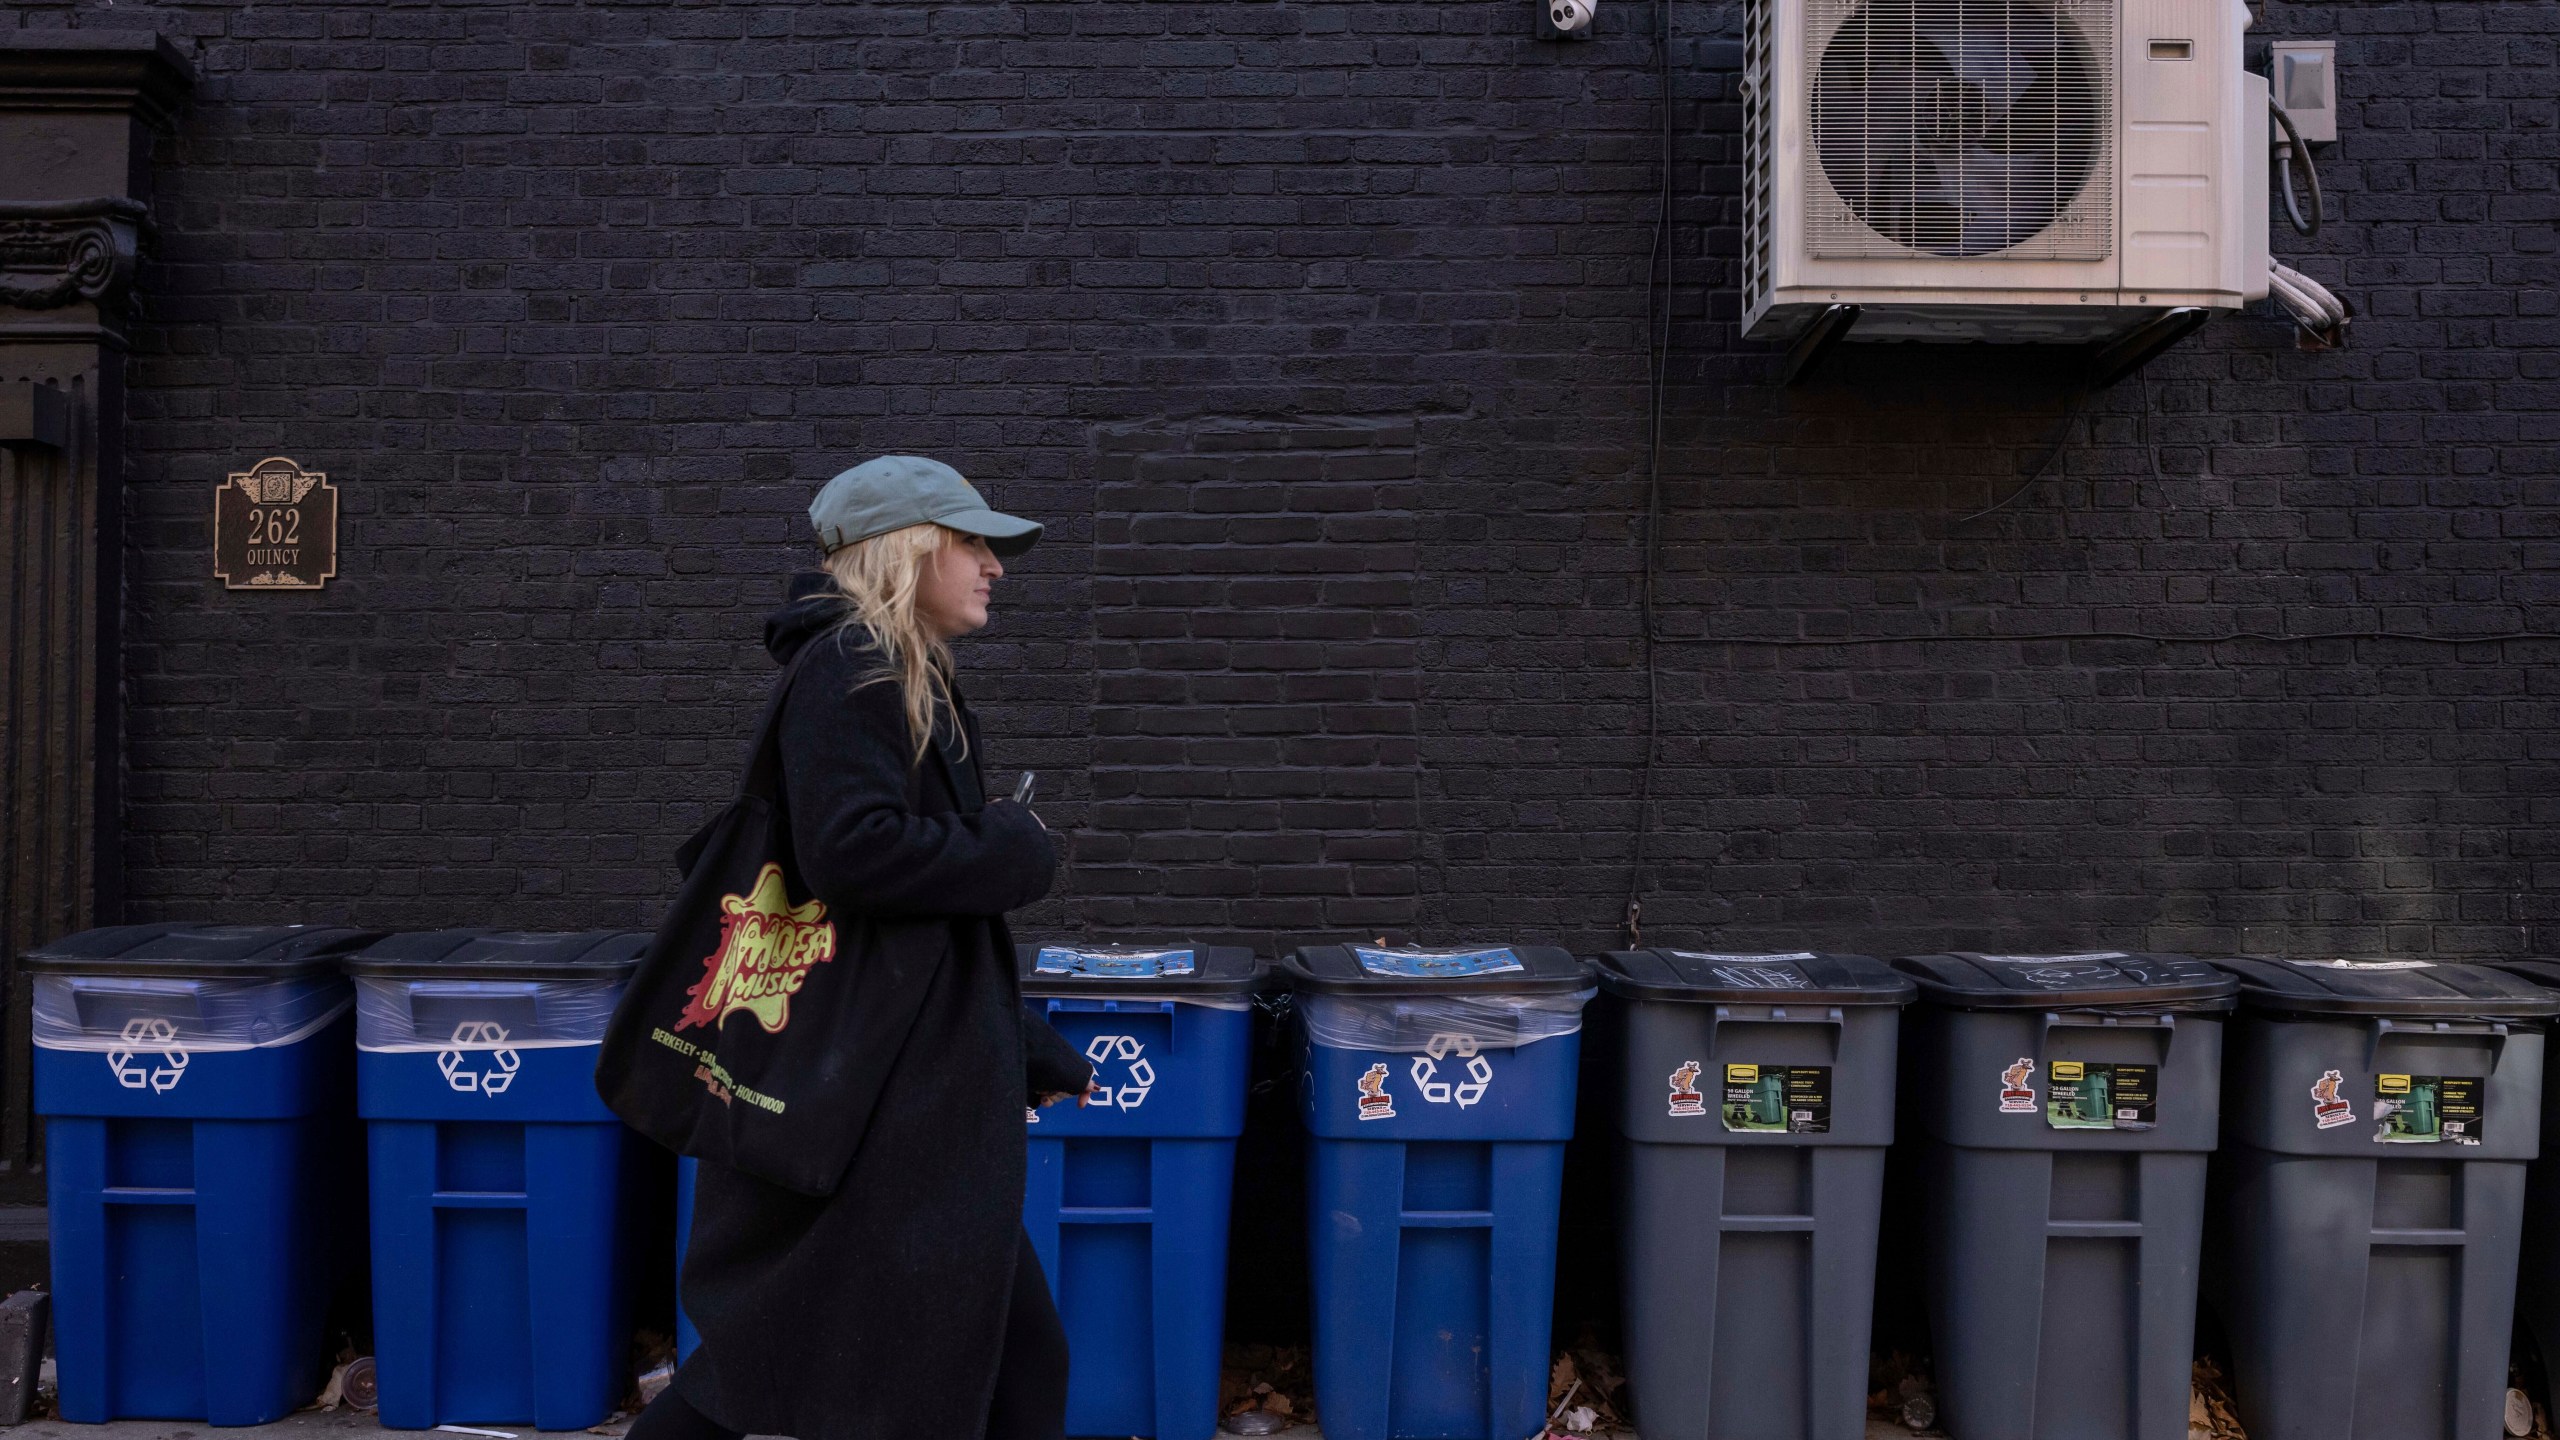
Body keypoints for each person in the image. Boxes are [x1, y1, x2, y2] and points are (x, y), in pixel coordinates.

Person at [630, 455, 1098, 1440]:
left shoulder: (892, 669)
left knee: (995, 1363)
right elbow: (852, 853)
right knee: (794, 1366)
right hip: (880, 1119)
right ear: (909, 548)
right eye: (972, 542)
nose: (994, 567)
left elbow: (905, 931)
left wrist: (1021, 1043)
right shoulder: (852, 666)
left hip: (906, 1098)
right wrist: (1016, 848)